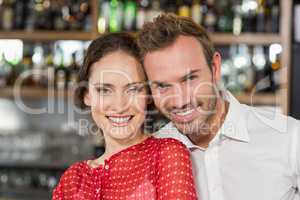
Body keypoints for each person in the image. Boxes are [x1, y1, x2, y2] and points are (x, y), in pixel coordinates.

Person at [137, 13, 300, 200]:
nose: (179, 101)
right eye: (163, 86)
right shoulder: (149, 158)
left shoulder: (291, 138)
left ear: (215, 68)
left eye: (190, 79)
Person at [52, 33, 197, 200]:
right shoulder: (73, 180)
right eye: (104, 90)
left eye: (133, 89)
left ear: (148, 95)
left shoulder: (168, 155)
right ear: (87, 95)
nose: (120, 106)